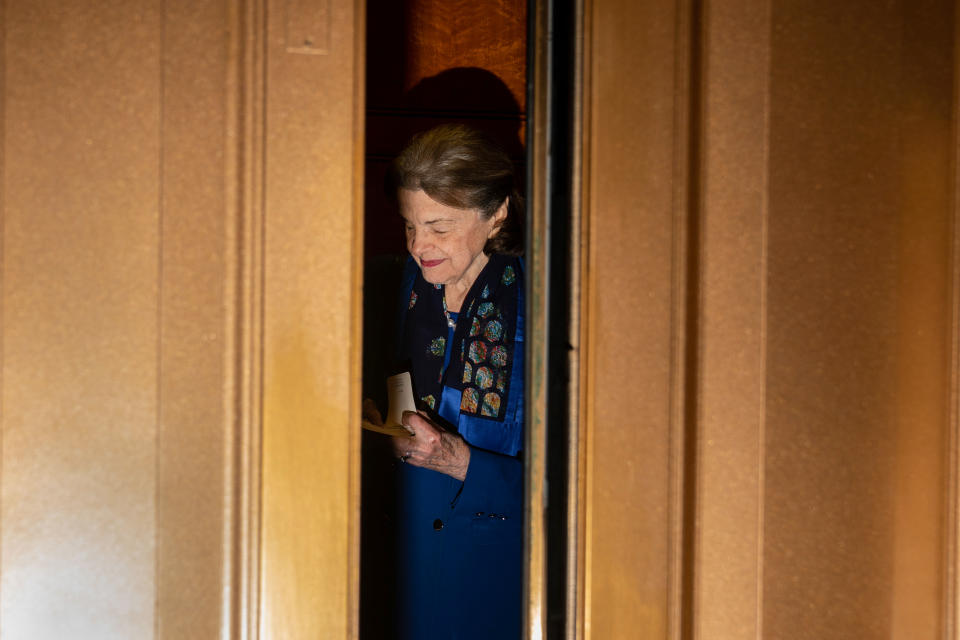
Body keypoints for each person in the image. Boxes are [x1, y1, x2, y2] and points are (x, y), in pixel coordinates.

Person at [371, 124, 525, 639]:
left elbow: (596, 484)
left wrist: (465, 465)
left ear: (497, 212)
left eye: (439, 226)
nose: (420, 246)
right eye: (410, 226)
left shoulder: (551, 302)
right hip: (405, 564)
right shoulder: (406, 283)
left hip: (499, 575)